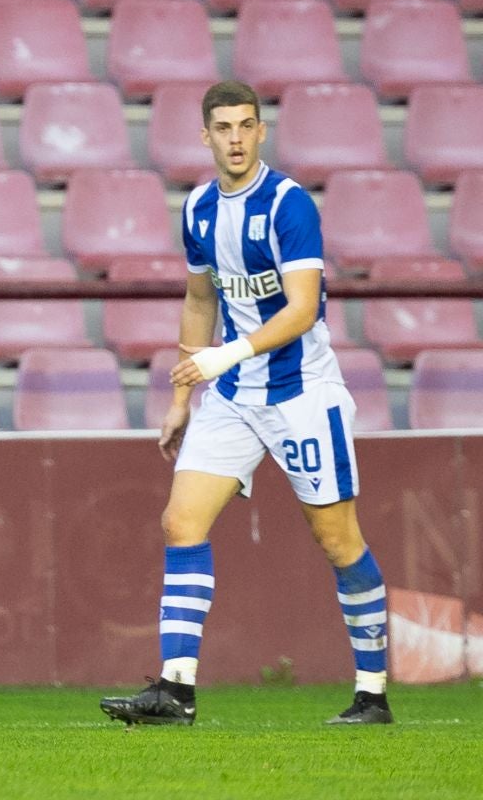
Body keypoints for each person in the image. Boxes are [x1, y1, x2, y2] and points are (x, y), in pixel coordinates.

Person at [100, 81, 392, 731]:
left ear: (261, 133)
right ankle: (176, 692)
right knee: (182, 522)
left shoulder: (289, 206)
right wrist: (182, 398)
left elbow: (303, 307)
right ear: (205, 137)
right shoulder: (200, 208)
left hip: (300, 393)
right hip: (233, 398)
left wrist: (222, 359)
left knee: (337, 538)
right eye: (223, 127)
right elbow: (201, 300)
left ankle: (371, 693)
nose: (235, 137)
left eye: (246, 126)